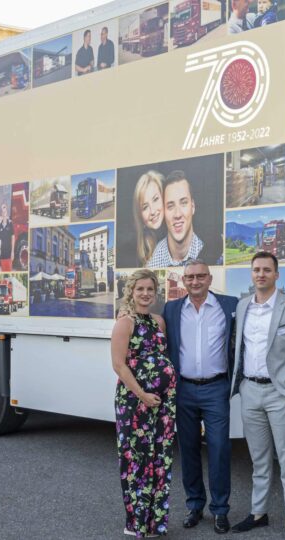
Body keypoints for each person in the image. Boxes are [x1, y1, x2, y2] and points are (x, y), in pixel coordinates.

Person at [231, 252, 285, 540]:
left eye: (267, 270)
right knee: (259, 459)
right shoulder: (243, 306)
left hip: (282, 393)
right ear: (251, 273)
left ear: (276, 275)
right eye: (256, 269)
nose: (261, 274)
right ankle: (258, 513)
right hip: (250, 391)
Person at [162, 259, 238, 534]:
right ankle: (195, 505)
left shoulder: (229, 306)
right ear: (184, 281)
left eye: (201, 276)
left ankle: (220, 510)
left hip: (216, 388)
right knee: (188, 449)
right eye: (190, 277)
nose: (195, 281)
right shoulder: (171, 309)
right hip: (183, 389)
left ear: (209, 279)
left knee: (219, 449)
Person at [111, 269, 177, 537]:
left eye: (150, 289)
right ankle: (135, 523)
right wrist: (142, 395)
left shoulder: (158, 321)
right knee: (137, 460)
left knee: (160, 459)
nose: (146, 293)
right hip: (134, 402)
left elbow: (160, 356)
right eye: (140, 289)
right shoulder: (125, 323)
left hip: (162, 404)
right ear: (131, 291)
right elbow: (119, 365)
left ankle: (154, 522)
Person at [147, 171, 205, 268]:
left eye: (183, 203)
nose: (177, 214)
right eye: (170, 206)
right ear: (163, 212)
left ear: (193, 207)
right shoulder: (152, 264)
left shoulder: (210, 253)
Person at [133, 171, 166, 267]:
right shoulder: (143, 254)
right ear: (140, 216)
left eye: (155, 199)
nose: (152, 211)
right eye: (145, 207)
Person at [0, 203, 13, 270]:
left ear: (7, 213)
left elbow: (13, 238)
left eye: (5, 211)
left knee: (9, 271)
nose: (4, 213)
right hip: (2, 254)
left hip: (9, 253)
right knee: (3, 271)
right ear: (1, 213)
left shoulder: (10, 223)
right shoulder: (0, 226)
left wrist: (12, 252)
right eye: (2, 212)